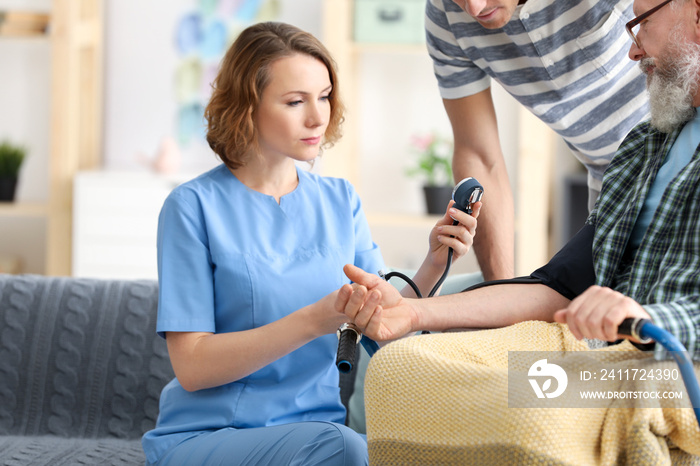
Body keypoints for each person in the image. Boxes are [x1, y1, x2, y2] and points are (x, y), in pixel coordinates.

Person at [335, 0, 700, 460]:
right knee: (400, 371)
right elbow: (559, 285)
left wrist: (644, 320)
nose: (629, 52)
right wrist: (415, 314)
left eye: (639, 23)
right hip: (611, 350)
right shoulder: (641, 149)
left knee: (532, 408)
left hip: (672, 358)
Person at [141, 21, 479, 466]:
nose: (318, 116)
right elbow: (193, 366)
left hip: (316, 435)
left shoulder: (341, 201)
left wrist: (435, 262)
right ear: (247, 107)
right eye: (295, 101)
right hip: (211, 435)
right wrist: (315, 320)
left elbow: (383, 320)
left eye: (323, 96)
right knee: (345, 448)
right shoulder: (191, 208)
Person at [427, 0, 651, 280]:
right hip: (612, 190)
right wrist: (501, 293)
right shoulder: (445, 16)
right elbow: (479, 156)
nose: (474, 9)